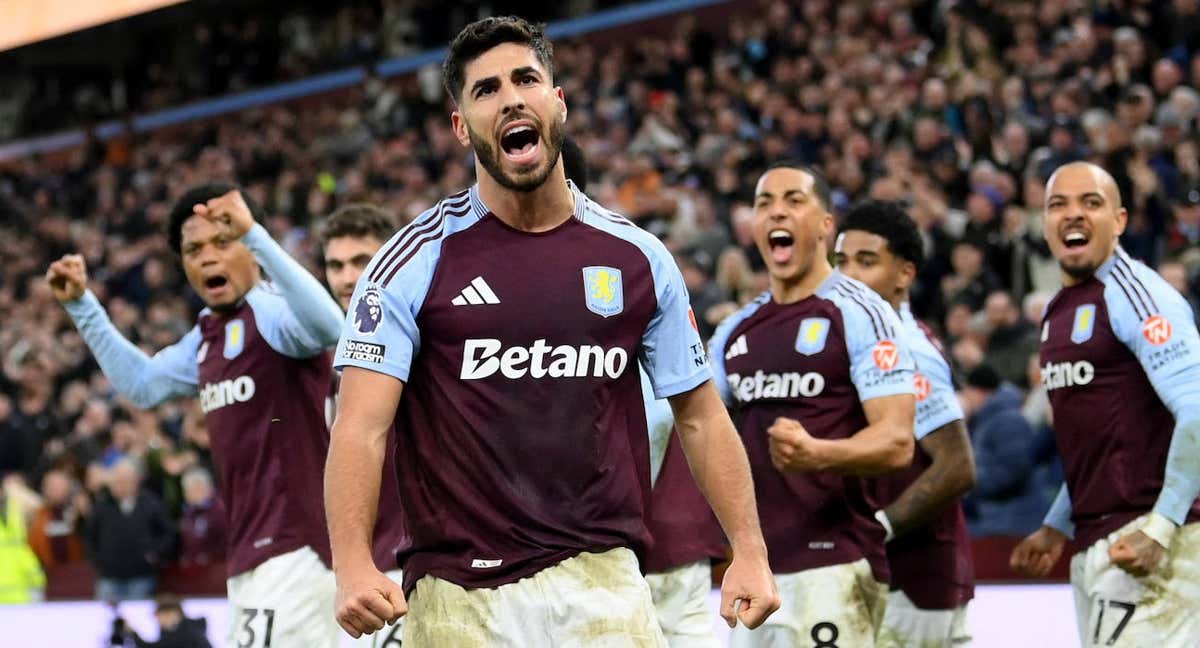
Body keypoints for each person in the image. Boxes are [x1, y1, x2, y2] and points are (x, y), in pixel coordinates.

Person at [325, 16, 778, 645]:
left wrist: (749, 549)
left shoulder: (638, 257)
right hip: (459, 592)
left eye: (526, 79)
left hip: (604, 578)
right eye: (485, 90)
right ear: (462, 126)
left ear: (556, 102)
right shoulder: (412, 262)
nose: (510, 97)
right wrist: (350, 563)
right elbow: (360, 426)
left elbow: (700, 416)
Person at [47, 184, 345, 645]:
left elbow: (329, 327)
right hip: (252, 554)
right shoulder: (208, 335)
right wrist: (82, 306)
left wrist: (258, 238)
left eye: (223, 243)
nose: (208, 257)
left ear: (250, 246)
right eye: (193, 249)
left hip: (299, 549)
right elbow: (144, 388)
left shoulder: (271, 312)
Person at [709, 162, 917, 647]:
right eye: (765, 204)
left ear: (826, 225)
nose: (777, 212)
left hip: (835, 564)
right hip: (757, 569)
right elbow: (697, 429)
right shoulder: (734, 332)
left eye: (793, 201)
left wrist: (818, 453)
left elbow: (897, 440)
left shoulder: (862, 311)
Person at [1010, 162, 1200, 645]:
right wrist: (1057, 525)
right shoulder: (1059, 310)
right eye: (1058, 205)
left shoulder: (1138, 294)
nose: (1073, 215)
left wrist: (1161, 527)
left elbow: (1197, 409)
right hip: (1103, 543)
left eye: (1090, 204)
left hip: (1159, 545)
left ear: (1119, 221)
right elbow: (1105, 439)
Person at [833, 199, 976, 647]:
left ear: (905, 274)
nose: (848, 275)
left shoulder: (906, 348)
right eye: (841, 261)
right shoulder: (868, 341)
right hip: (899, 579)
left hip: (914, 584)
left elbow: (956, 465)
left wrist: (878, 529)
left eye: (867, 261)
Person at [317, 203, 408, 648]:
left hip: (416, 562)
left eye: (361, 261)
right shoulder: (319, 357)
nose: (348, 277)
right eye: (335, 265)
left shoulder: (417, 341)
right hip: (356, 573)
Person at [960, 364, 1047, 537]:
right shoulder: (986, 420)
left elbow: (1015, 469)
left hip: (1014, 521)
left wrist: (971, 482)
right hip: (996, 518)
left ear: (977, 391)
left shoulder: (1008, 420)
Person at [86, 458, 177, 602]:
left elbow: (168, 533)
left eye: (124, 481)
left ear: (135, 481)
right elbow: (90, 538)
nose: (119, 486)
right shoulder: (102, 507)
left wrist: (154, 554)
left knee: (137, 617)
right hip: (109, 577)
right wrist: (99, 562)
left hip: (141, 576)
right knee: (105, 617)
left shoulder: (151, 504)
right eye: (116, 481)